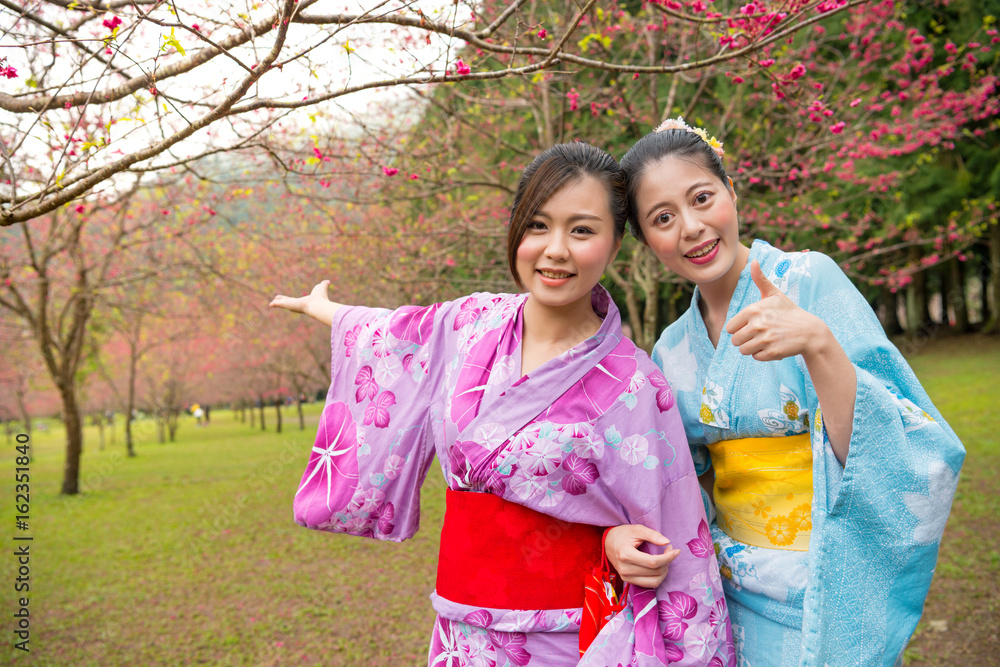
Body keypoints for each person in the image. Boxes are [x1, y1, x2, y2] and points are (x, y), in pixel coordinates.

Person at [270, 142, 735, 666]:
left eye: (581, 230)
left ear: (615, 243)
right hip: (456, 633)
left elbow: (671, 530)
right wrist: (326, 309)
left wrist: (620, 543)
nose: (555, 249)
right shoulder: (471, 323)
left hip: (566, 638)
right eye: (538, 225)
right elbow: (399, 334)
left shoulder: (634, 384)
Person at [604, 119, 966, 667]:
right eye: (663, 218)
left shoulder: (811, 280)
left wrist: (818, 344)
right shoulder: (671, 348)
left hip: (823, 586)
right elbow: (679, 483)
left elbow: (901, 446)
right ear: (646, 241)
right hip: (723, 594)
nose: (692, 228)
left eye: (702, 197)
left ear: (731, 190)